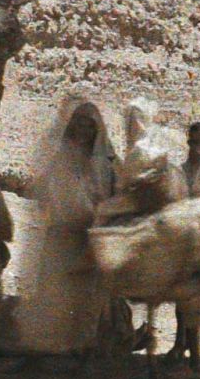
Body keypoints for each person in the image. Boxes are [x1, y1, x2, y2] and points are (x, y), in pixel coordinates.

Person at [7, 99, 117, 356]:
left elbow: (110, 200)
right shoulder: (60, 158)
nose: (82, 130)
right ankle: (44, 353)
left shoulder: (104, 165)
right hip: (58, 235)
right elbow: (44, 192)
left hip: (88, 237)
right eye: (78, 123)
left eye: (88, 125)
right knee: (50, 293)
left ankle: (84, 356)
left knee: (86, 299)